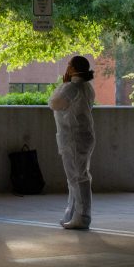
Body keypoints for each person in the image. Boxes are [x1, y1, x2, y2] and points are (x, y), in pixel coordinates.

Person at [49, 55, 96, 230]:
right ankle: (73, 213)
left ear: (74, 69)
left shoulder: (71, 88)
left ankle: (82, 216)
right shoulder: (87, 87)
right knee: (78, 176)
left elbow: (54, 103)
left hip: (73, 138)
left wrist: (64, 83)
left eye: (69, 65)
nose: (66, 68)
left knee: (77, 177)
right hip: (83, 136)